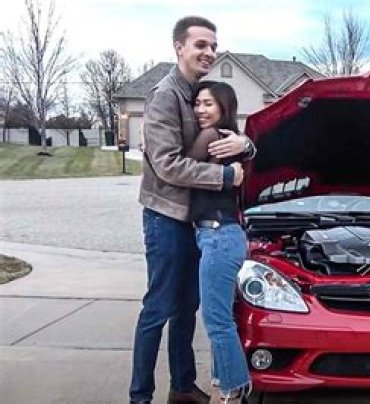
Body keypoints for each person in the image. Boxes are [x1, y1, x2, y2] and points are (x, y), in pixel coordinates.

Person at [130, 16, 252, 404]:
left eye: (213, 46)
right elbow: (167, 165)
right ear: (179, 47)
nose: (209, 52)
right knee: (159, 307)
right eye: (201, 44)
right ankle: (140, 397)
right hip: (165, 216)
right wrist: (225, 176)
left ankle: (182, 388)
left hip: (195, 221)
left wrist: (246, 146)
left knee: (187, 307)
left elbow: (229, 133)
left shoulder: (197, 93)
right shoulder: (165, 95)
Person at [187, 81, 255, 404]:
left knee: (217, 320)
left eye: (208, 104)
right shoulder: (232, 140)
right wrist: (248, 144)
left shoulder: (212, 136)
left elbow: (178, 166)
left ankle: (235, 387)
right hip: (221, 236)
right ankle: (223, 380)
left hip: (218, 236)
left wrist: (151, 146)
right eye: (197, 103)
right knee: (220, 316)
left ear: (224, 107)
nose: (200, 109)